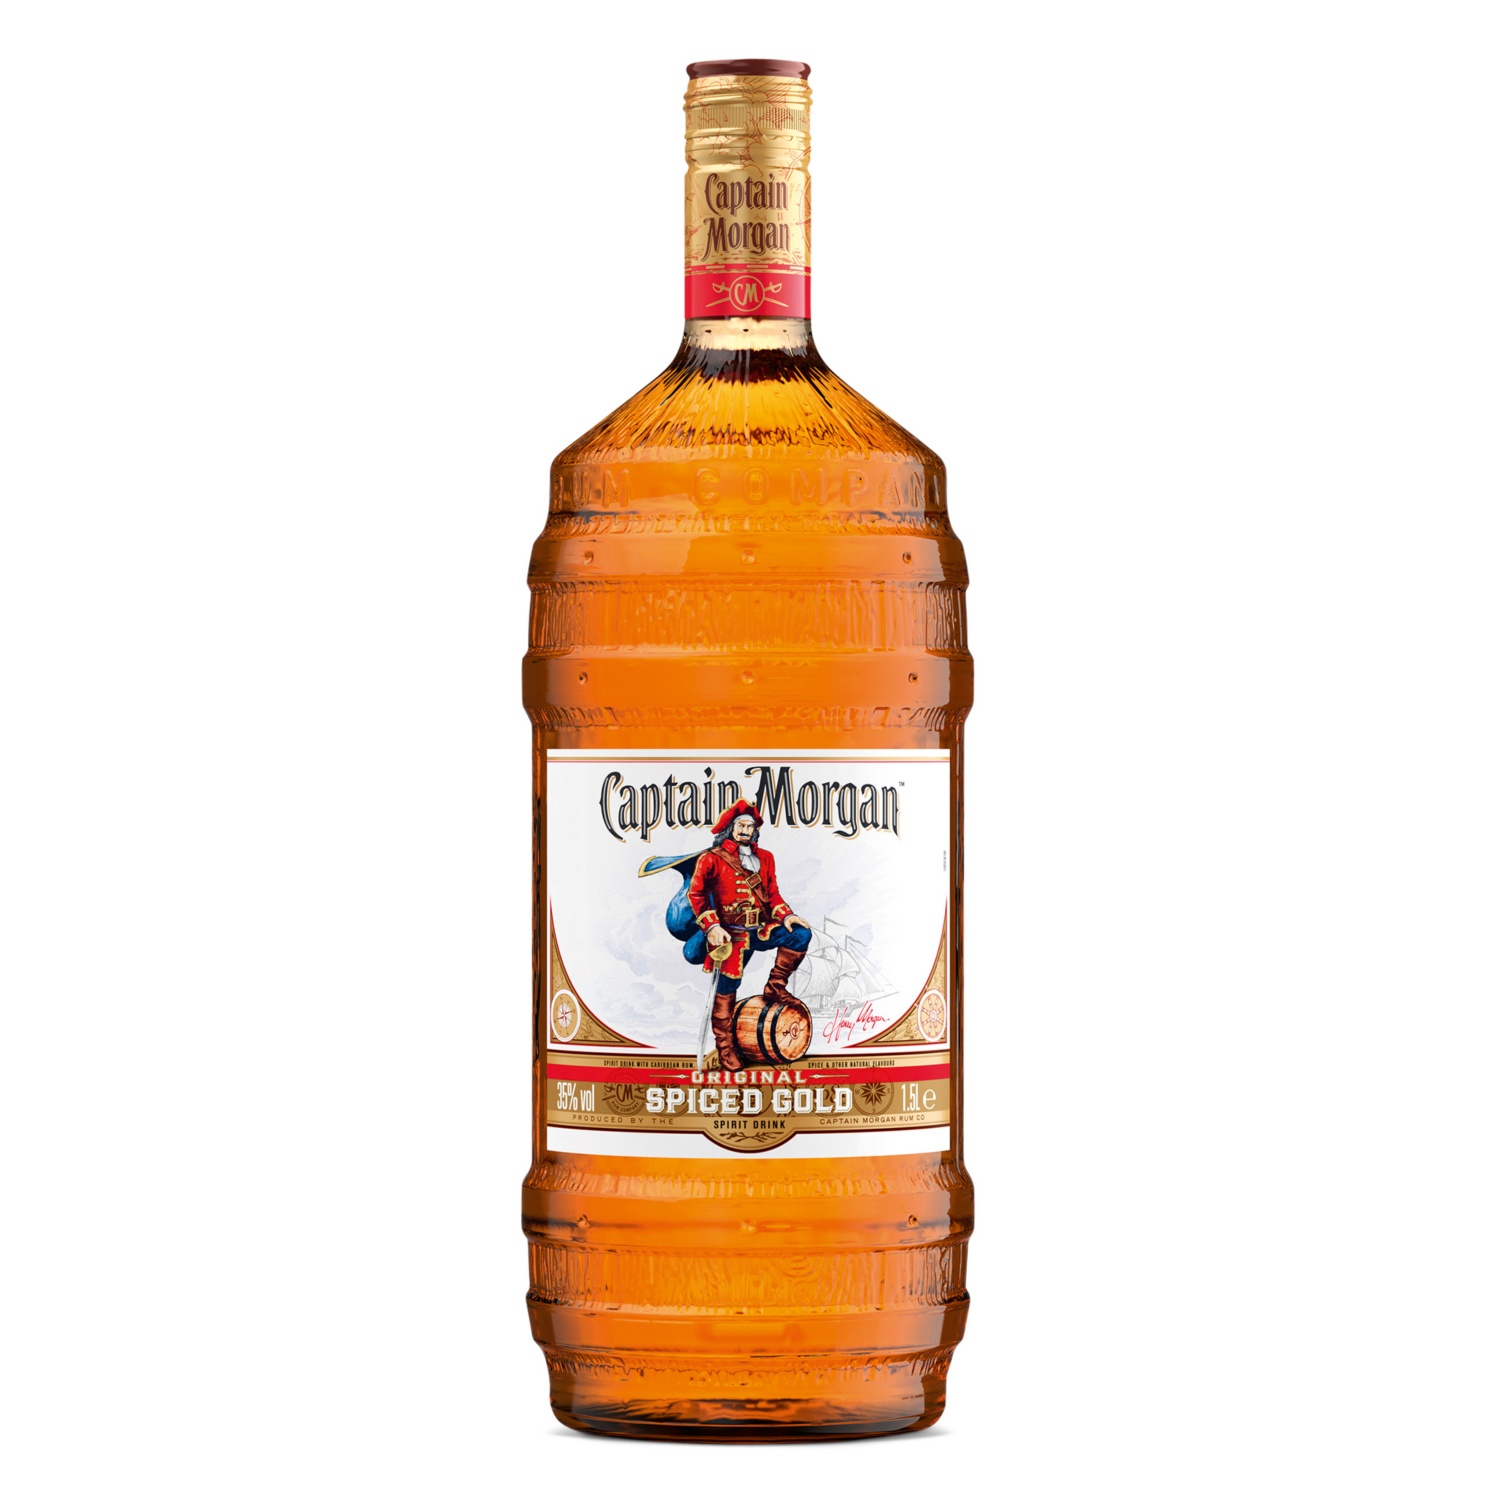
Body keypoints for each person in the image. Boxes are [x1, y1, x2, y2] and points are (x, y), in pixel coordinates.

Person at [684, 799, 810, 1068]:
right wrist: (712, 926)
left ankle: (775, 987)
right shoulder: (711, 858)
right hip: (730, 935)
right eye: (740, 825)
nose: (745, 830)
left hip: (761, 929)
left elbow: (772, 894)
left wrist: (787, 915)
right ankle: (725, 1047)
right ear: (730, 828)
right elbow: (696, 895)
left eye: (749, 826)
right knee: (727, 990)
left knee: (800, 934)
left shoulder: (766, 858)